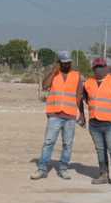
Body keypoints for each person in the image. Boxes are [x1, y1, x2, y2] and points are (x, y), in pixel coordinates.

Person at [32, 51, 84, 180]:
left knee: (68, 144)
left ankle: (63, 169)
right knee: (49, 142)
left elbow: (79, 96)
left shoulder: (76, 76)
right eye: (64, 63)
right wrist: (53, 71)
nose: (67, 65)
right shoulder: (54, 75)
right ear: (59, 63)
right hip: (55, 114)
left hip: (70, 115)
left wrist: (81, 114)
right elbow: (44, 86)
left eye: (69, 63)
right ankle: (42, 169)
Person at [82, 57, 111, 189]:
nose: (99, 69)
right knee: (100, 151)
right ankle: (103, 175)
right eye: (97, 67)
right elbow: (87, 100)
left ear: (107, 68)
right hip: (94, 124)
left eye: (102, 67)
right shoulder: (88, 83)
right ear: (93, 69)